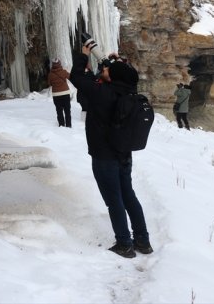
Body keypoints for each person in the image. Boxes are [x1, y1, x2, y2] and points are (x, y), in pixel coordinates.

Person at [69, 46, 152, 258]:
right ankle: (142, 240)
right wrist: (119, 64)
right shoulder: (129, 89)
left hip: (104, 155)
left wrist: (84, 54)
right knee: (128, 195)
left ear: (113, 77)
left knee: (113, 199)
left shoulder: (102, 92)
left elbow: (76, 76)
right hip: (124, 153)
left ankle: (124, 244)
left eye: (107, 70)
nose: (104, 71)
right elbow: (129, 75)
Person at [47, 59, 72, 127]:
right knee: (67, 111)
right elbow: (71, 77)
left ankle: (61, 125)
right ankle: (69, 125)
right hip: (65, 93)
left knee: (59, 111)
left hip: (56, 95)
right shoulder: (64, 72)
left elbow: (49, 83)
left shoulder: (50, 74)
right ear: (60, 64)